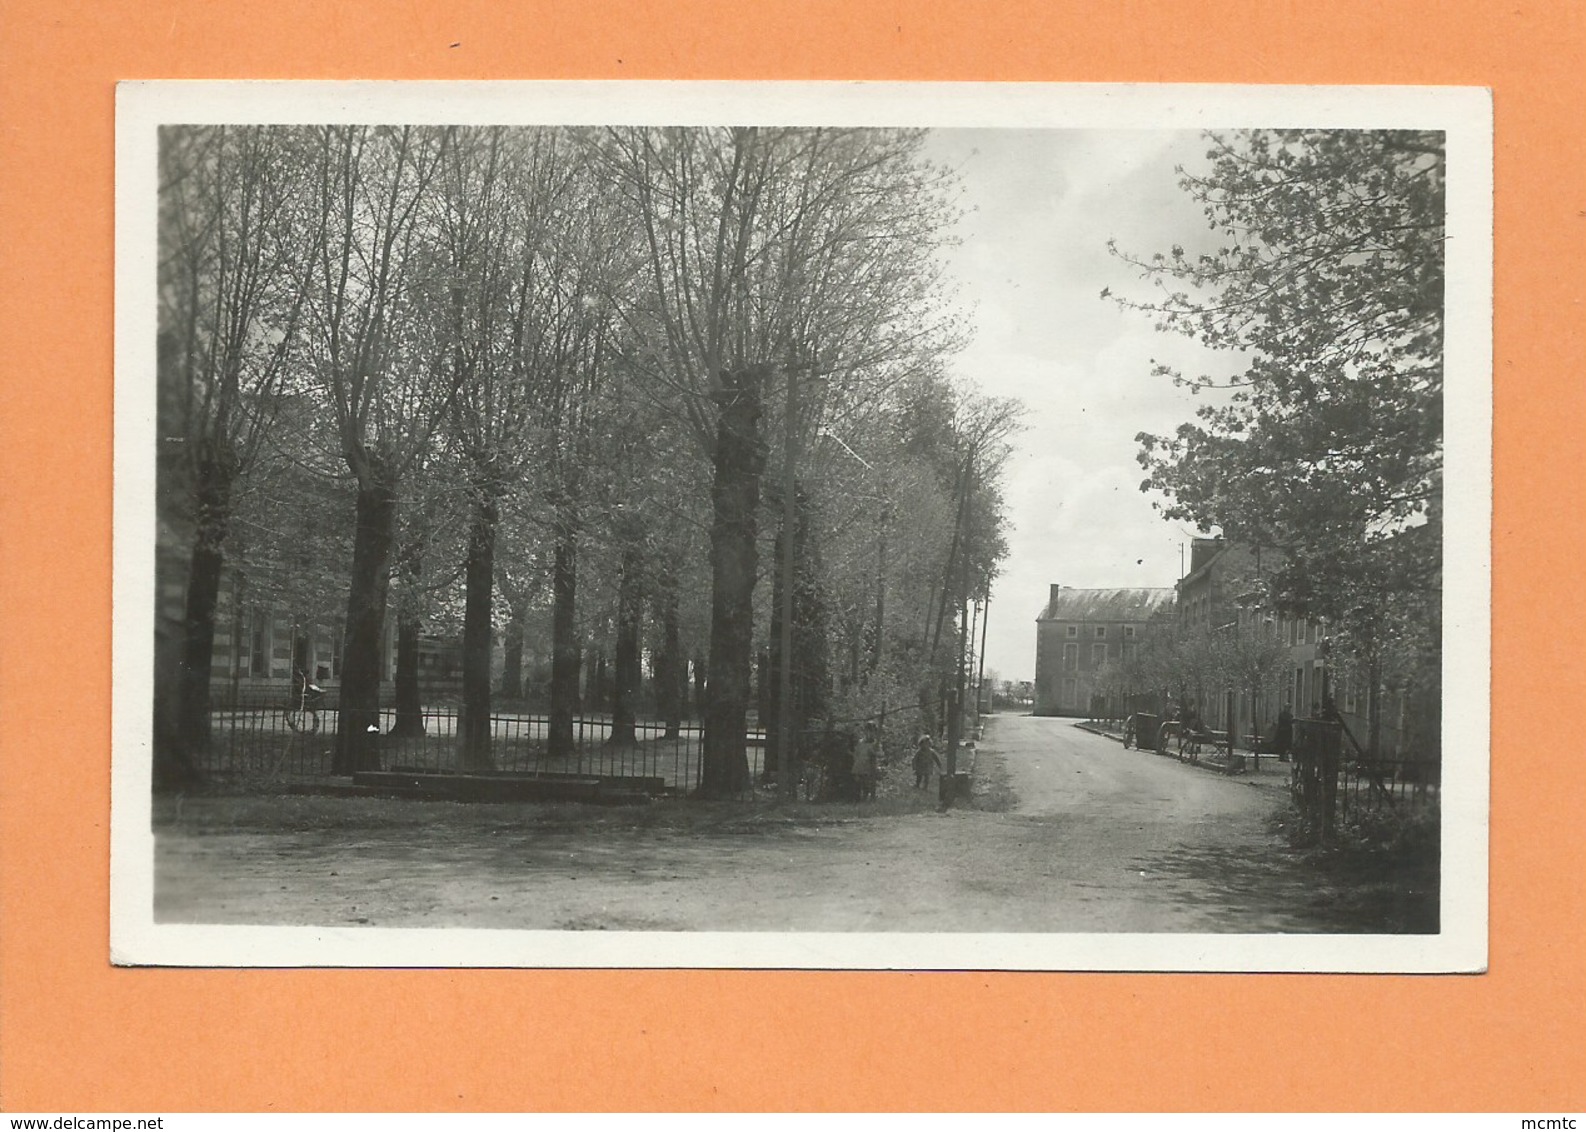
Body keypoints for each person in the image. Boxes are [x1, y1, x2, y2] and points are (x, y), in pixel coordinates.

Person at [851, 723, 879, 801]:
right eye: (867, 731)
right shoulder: (860, 743)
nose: (869, 733)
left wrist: (874, 753)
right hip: (859, 765)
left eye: (871, 731)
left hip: (869, 766)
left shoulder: (875, 743)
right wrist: (856, 761)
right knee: (858, 783)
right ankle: (857, 800)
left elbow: (879, 754)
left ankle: (868, 798)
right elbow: (856, 753)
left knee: (867, 784)